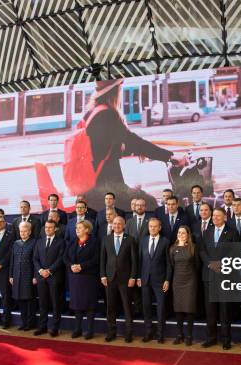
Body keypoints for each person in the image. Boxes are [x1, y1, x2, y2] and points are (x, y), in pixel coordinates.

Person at [82, 78, 187, 210]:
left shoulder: (91, 113)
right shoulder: (107, 114)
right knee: (148, 203)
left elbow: (103, 147)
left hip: (92, 186)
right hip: (108, 188)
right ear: (116, 91)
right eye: (121, 89)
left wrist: (135, 150)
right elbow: (133, 141)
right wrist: (170, 157)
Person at [200, 207, 239, 350]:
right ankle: (211, 338)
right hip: (209, 275)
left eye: (218, 216)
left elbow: (236, 253)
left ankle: (226, 339)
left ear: (225, 217)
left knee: (225, 310)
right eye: (213, 216)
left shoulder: (232, 232)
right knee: (210, 310)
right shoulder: (207, 231)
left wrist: (222, 263)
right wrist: (210, 263)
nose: (215, 218)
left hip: (225, 275)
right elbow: (202, 250)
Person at [100, 216, 138, 342]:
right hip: (110, 278)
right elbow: (102, 259)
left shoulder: (130, 240)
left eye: (119, 223)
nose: (116, 225)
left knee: (127, 306)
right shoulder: (106, 239)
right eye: (114, 223)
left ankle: (129, 333)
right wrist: (103, 275)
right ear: (111, 225)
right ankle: (111, 332)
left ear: (124, 225)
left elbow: (134, 261)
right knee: (110, 307)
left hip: (125, 279)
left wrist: (133, 276)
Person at [137, 218, 172, 343]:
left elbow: (169, 264)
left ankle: (160, 334)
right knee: (146, 307)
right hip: (145, 279)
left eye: (155, 226)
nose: (152, 228)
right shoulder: (143, 241)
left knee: (161, 308)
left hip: (160, 280)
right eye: (150, 226)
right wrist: (138, 277)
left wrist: (167, 280)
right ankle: (148, 332)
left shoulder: (165, 242)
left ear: (160, 228)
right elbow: (139, 261)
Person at [65, 220, 100, 339]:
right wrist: (71, 265)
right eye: (76, 228)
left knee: (90, 306)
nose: (77, 230)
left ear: (87, 229)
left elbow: (96, 259)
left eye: (79, 227)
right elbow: (65, 257)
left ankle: (90, 331)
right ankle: (77, 329)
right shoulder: (72, 242)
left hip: (89, 278)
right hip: (75, 278)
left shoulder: (94, 242)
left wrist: (81, 266)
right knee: (77, 305)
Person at [33, 220, 66, 336]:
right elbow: (35, 259)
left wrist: (50, 270)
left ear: (55, 229)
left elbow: (61, 258)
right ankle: (42, 327)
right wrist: (40, 270)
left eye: (50, 227)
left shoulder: (61, 242)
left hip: (54, 277)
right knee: (43, 303)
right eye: (46, 227)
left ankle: (55, 328)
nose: (47, 229)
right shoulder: (39, 242)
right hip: (41, 277)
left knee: (55, 303)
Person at [170, 225, 199, 346]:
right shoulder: (172, 248)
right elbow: (172, 265)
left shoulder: (193, 248)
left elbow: (197, 265)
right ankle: (179, 335)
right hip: (177, 281)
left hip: (190, 281)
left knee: (189, 308)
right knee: (178, 308)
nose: (180, 235)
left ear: (188, 234)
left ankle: (189, 336)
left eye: (183, 233)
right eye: (179, 233)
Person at [9, 221, 38, 331]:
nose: (23, 233)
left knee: (30, 300)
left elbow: (36, 261)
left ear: (30, 232)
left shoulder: (34, 242)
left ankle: (30, 323)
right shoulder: (16, 243)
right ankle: (23, 322)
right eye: (21, 231)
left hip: (29, 276)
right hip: (17, 276)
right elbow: (12, 260)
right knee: (20, 300)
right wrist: (11, 275)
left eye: (25, 231)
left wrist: (35, 276)